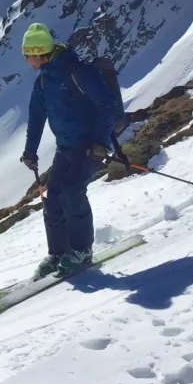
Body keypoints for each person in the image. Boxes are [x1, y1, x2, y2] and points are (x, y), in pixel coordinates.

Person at [19, 22, 118, 279]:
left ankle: (82, 250)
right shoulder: (43, 82)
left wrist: (100, 143)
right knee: (53, 202)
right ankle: (58, 253)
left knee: (73, 192)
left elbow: (108, 106)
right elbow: (36, 118)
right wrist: (30, 152)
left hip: (89, 148)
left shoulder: (78, 72)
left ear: (39, 53)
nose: (26, 60)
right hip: (65, 148)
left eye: (27, 55)